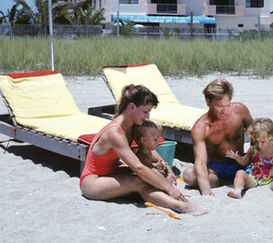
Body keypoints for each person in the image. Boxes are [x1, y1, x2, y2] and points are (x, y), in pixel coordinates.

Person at [80, 84, 204, 215]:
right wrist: (170, 189)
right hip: (93, 182)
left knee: (154, 173)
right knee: (139, 180)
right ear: (132, 107)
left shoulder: (132, 125)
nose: (148, 116)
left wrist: (166, 166)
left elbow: (147, 149)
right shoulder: (115, 133)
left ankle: (174, 200)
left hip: (111, 173)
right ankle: (179, 205)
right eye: (145, 111)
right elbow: (138, 168)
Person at [182, 78, 254, 196]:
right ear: (208, 101)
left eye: (227, 105)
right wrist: (206, 191)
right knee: (189, 175)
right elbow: (200, 161)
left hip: (242, 162)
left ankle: (241, 177)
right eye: (219, 106)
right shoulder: (201, 127)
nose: (224, 111)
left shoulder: (240, 110)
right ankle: (228, 181)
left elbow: (256, 136)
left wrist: (252, 158)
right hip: (218, 169)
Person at [132, 119, 177, 186]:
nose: (158, 142)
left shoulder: (147, 151)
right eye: (155, 139)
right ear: (143, 140)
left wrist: (159, 165)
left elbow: (148, 165)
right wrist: (168, 185)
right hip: (143, 179)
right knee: (162, 176)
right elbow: (152, 170)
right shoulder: (143, 154)